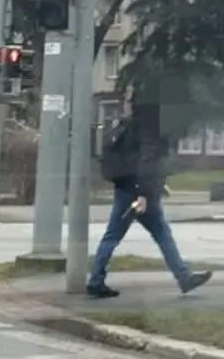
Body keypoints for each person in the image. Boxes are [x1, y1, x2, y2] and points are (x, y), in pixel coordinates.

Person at [88, 102, 212, 298]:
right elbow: (147, 162)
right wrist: (144, 194)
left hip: (125, 189)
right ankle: (184, 277)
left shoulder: (125, 126)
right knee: (160, 234)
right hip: (139, 193)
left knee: (115, 236)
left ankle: (96, 280)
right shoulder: (148, 130)